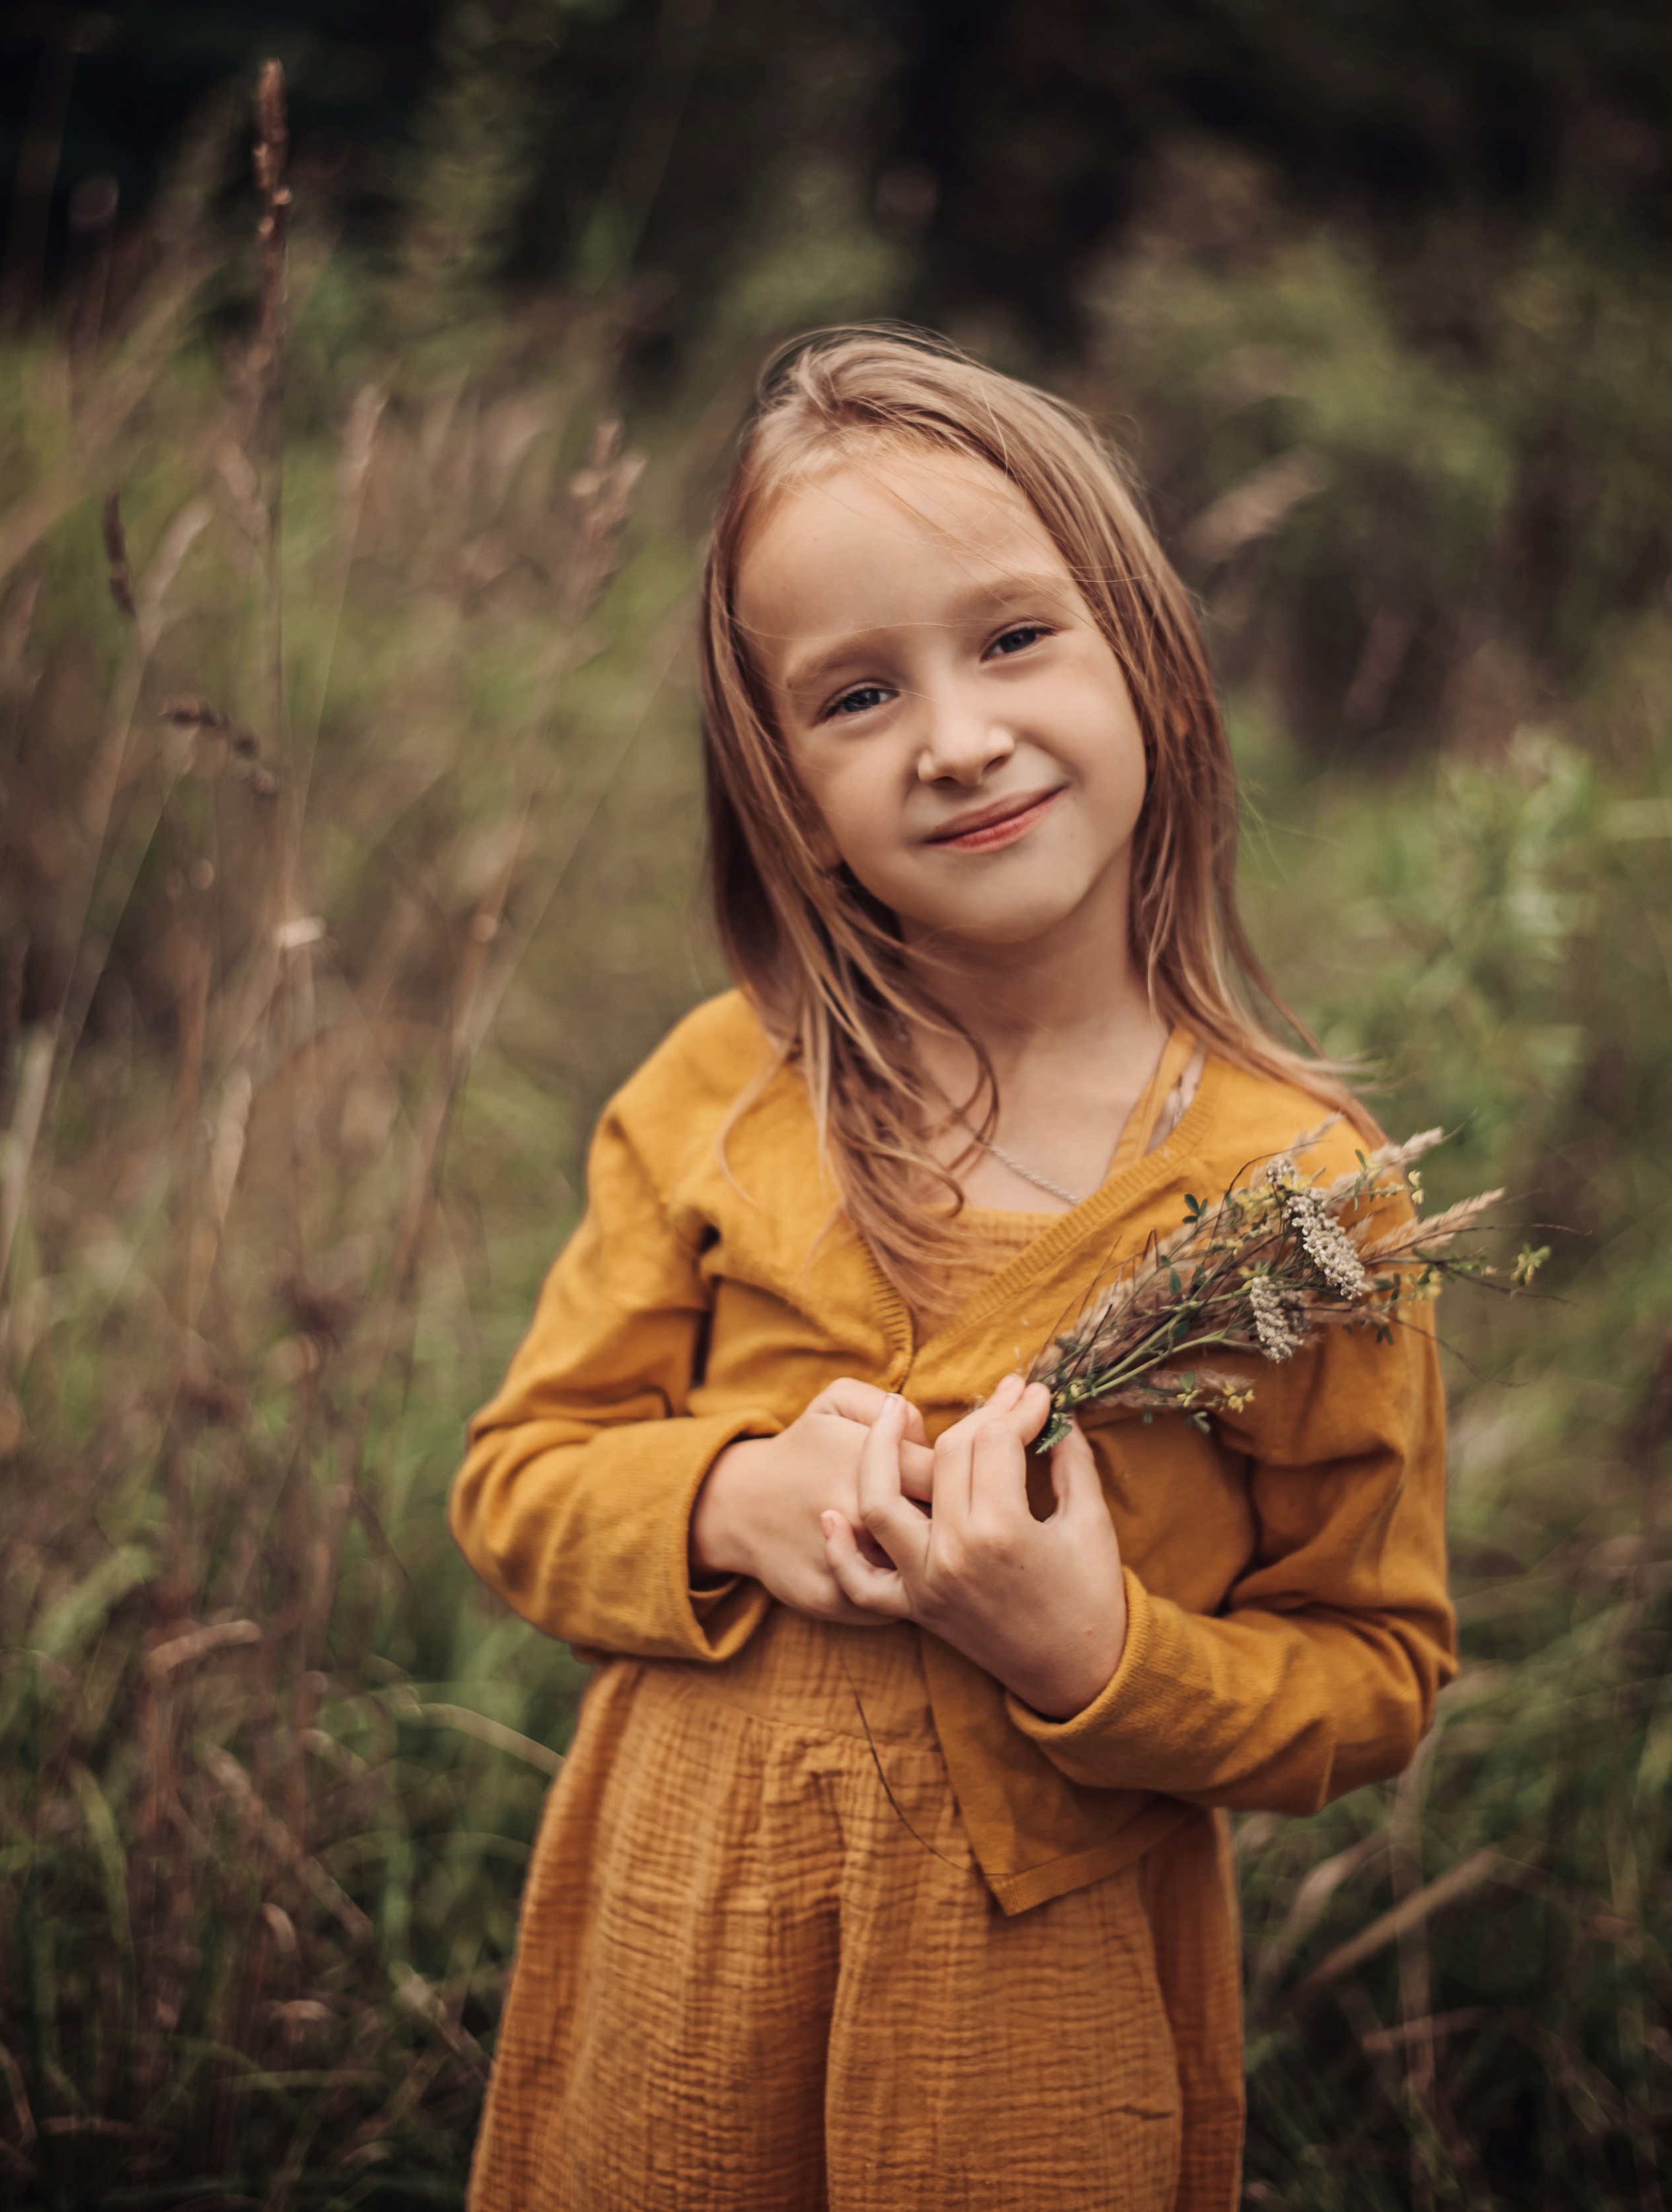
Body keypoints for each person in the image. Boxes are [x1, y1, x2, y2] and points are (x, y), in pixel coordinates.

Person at [449, 327, 1456, 2212]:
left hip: (1029, 2010)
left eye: (1012, 639)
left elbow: (1373, 1668)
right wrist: (732, 1495)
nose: (958, 737)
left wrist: (1102, 1653)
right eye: (852, 695)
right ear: (782, 789)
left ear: (1146, 654)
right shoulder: (720, 1091)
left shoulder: (1301, 1203)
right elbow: (519, 1482)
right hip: (689, 1937)